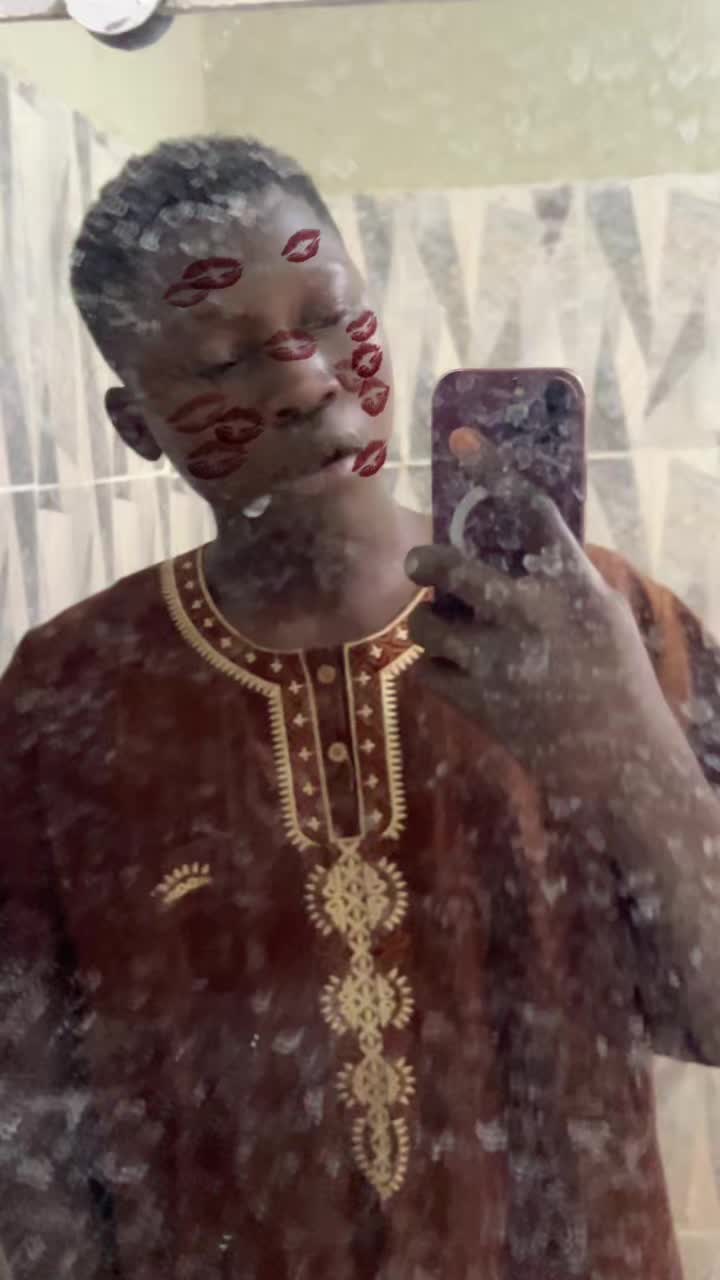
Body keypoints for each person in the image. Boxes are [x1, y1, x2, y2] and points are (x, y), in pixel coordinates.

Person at [2, 136, 720, 1280]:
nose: (302, 380)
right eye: (222, 359)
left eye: (330, 318)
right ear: (138, 425)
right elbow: (30, 1116)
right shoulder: (71, 690)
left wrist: (626, 740)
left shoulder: (605, 625)